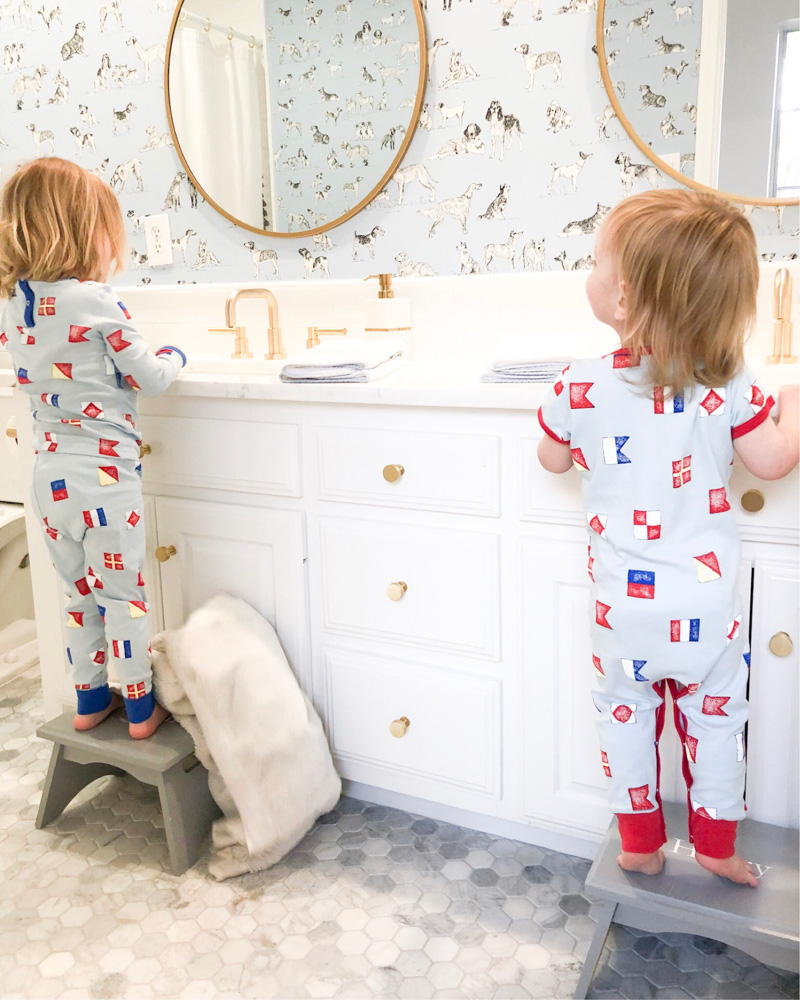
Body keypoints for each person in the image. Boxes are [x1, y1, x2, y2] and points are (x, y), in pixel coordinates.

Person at [537, 189, 799, 887]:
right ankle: (716, 844)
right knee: (717, 724)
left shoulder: (579, 385)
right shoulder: (731, 383)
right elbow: (773, 460)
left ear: (623, 300)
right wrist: (795, 403)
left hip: (623, 614)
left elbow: (552, 459)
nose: (588, 274)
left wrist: (577, 438)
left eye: (597, 263)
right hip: (706, 613)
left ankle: (641, 844)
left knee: (624, 718)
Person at [0, 158, 187, 739]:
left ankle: (87, 697)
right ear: (85, 231)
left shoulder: (13, 303)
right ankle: (138, 709)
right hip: (105, 481)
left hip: (49, 480)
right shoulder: (97, 300)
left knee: (78, 593)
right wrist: (176, 356)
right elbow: (148, 379)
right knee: (123, 598)